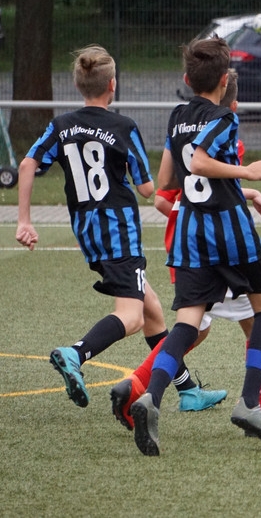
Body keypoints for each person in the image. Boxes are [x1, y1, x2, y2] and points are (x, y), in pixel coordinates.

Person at [15, 45, 210, 411]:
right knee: (132, 315)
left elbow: (27, 165)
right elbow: (148, 188)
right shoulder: (123, 127)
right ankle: (75, 353)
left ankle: (187, 391)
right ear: (112, 85)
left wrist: (24, 220)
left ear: (78, 85)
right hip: (119, 232)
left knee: (151, 309)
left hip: (87, 232)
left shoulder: (62, 126)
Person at [129, 37, 261, 456]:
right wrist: (246, 173)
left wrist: (228, 181)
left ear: (186, 79)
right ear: (223, 81)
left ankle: (151, 396)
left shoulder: (177, 117)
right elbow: (200, 162)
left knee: (187, 323)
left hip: (190, 235)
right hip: (230, 233)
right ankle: (250, 403)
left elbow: (167, 180)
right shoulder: (224, 117)